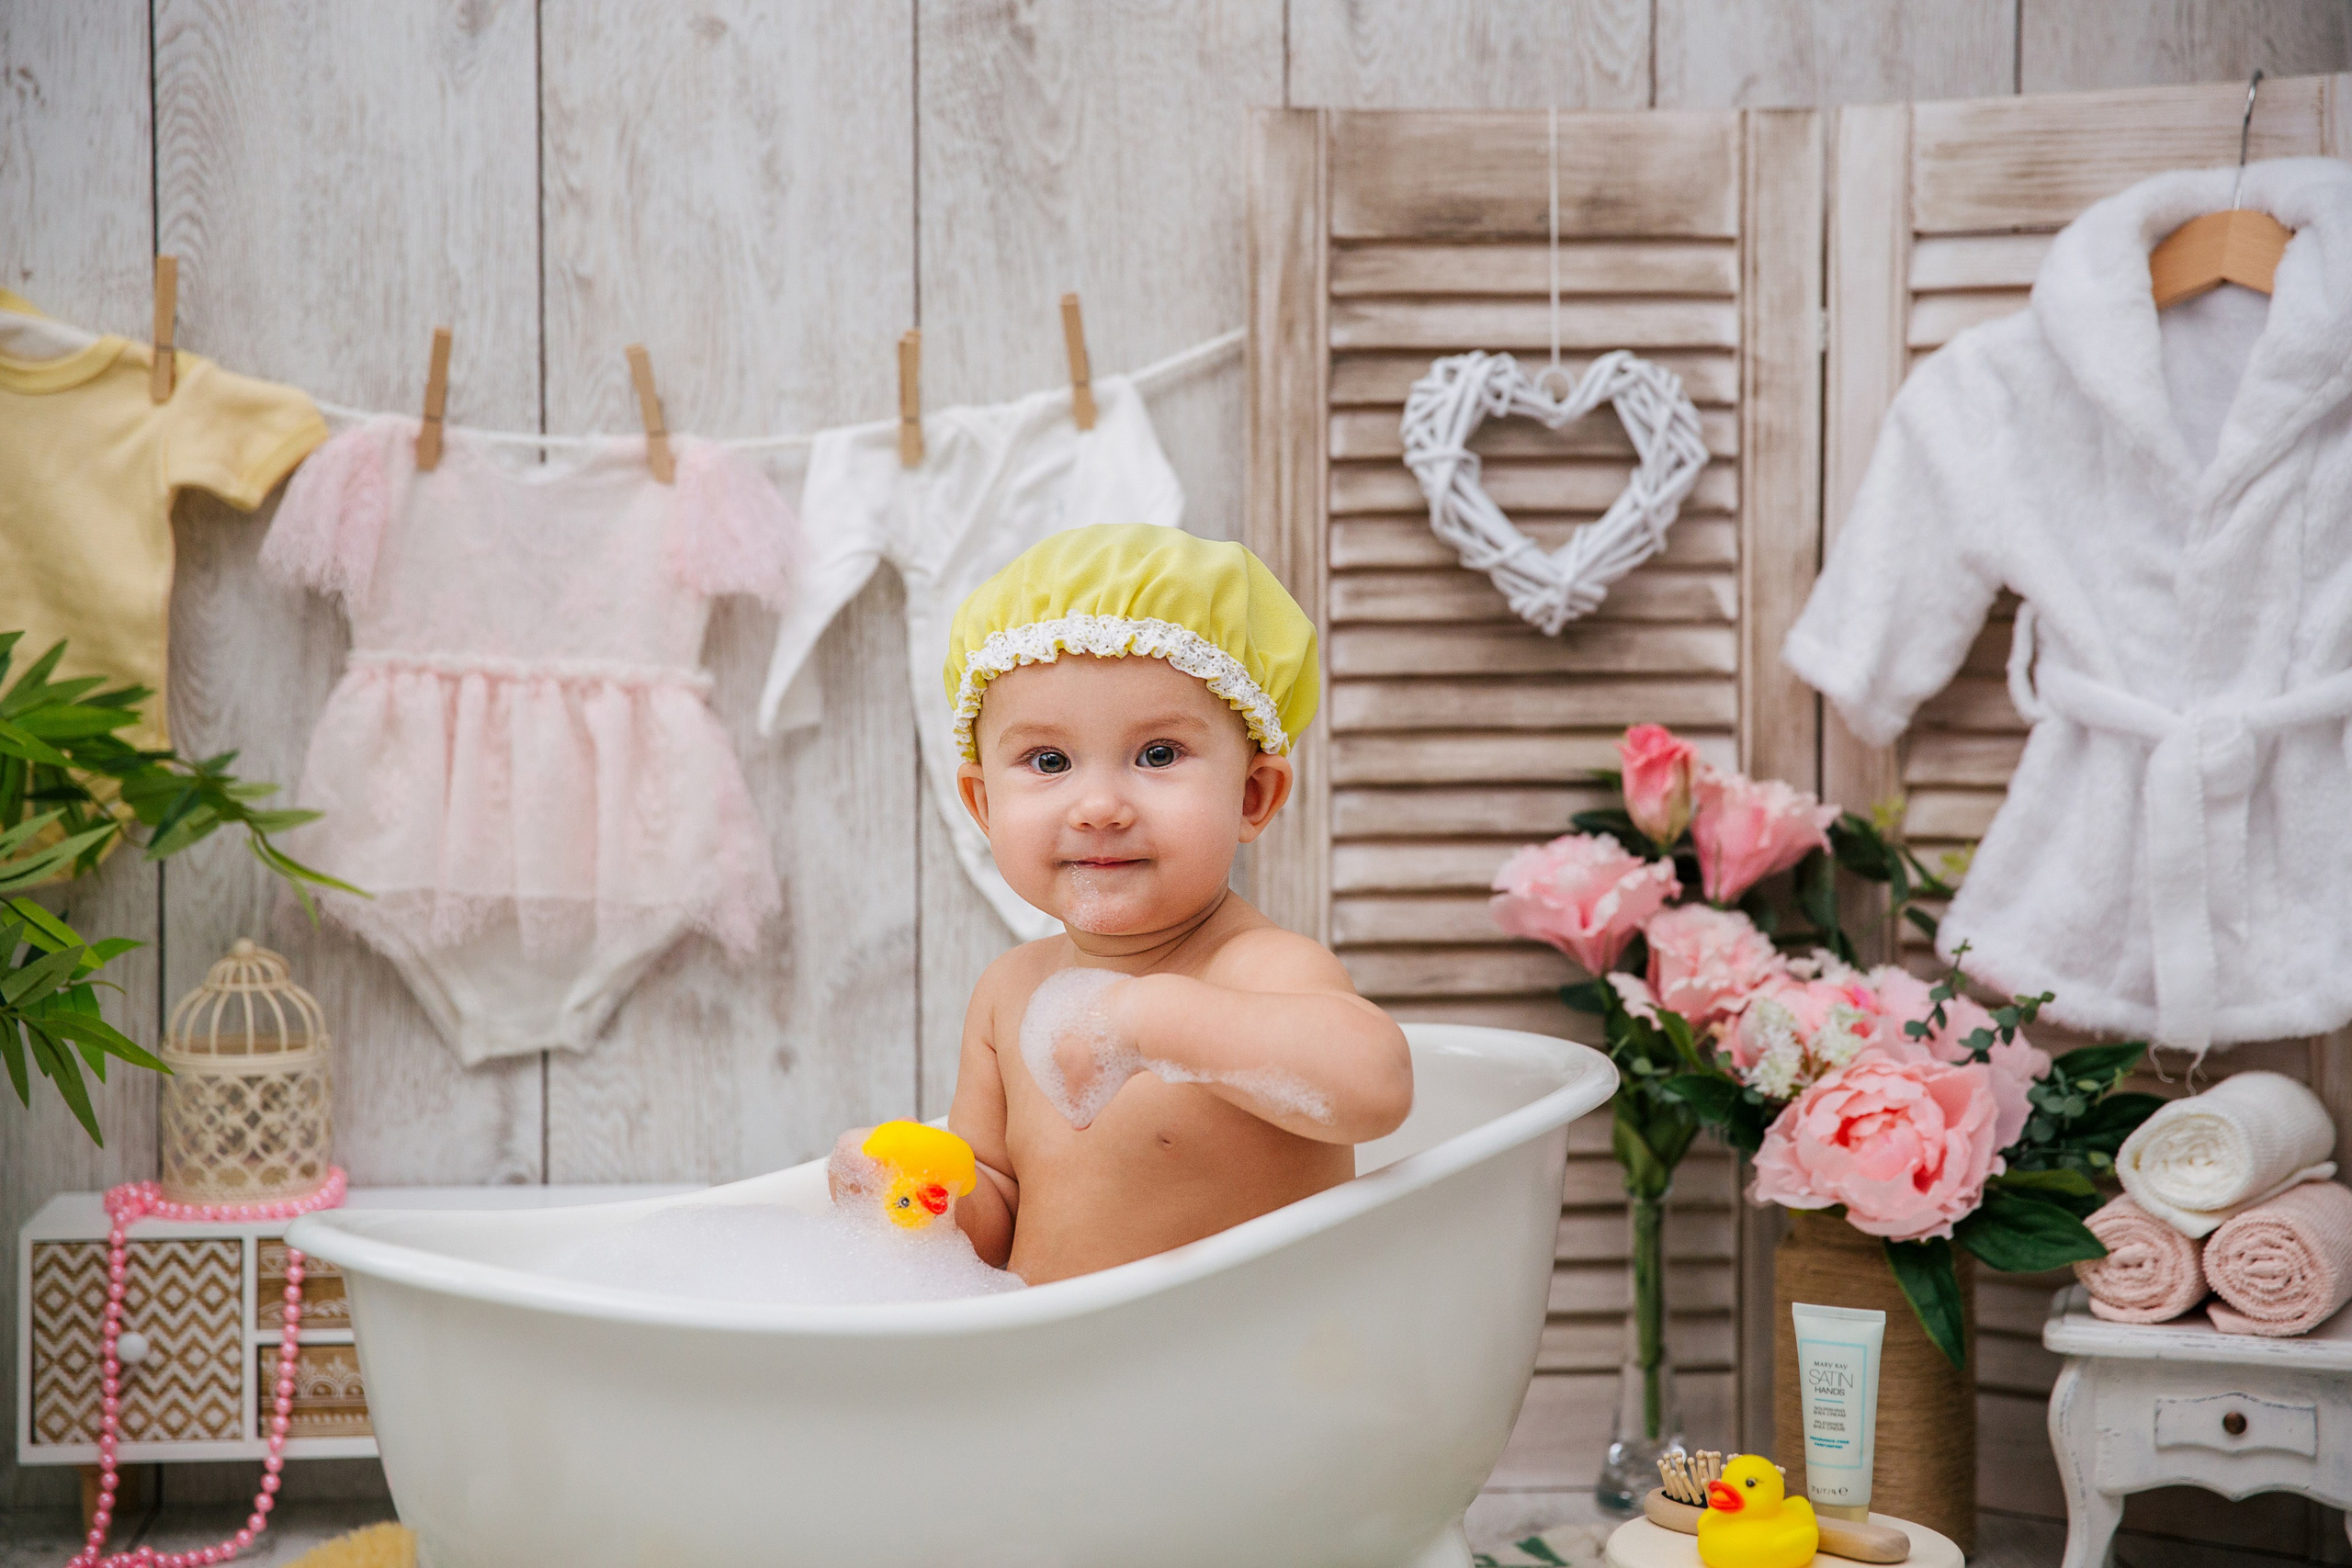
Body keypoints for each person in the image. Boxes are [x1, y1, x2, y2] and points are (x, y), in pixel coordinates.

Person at [831, 524, 1412, 1283]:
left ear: (1253, 794)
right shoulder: (1008, 993)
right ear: (981, 801)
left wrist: (1154, 1022)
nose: (1099, 805)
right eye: (1049, 761)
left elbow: (1376, 1088)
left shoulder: (1258, 967)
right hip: (1060, 1371)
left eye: (1158, 754)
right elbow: (1001, 1211)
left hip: (1237, 1371)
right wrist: (922, 1198)